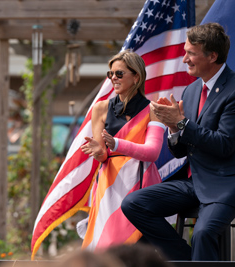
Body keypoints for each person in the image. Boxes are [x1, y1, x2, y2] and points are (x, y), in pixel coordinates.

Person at [121, 22, 235, 261]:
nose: (184, 59)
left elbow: (225, 145)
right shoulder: (191, 91)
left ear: (212, 56)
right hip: (193, 183)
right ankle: (186, 259)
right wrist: (174, 128)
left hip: (224, 185)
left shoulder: (233, 90)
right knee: (133, 204)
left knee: (202, 233)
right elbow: (182, 152)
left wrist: (182, 124)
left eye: (191, 53)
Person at [79, 50, 166, 251]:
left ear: (136, 76)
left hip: (141, 182)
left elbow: (152, 152)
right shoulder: (100, 108)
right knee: (107, 244)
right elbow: (102, 155)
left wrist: (116, 144)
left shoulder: (153, 110)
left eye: (119, 74)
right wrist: (97, 151)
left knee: (140, 247)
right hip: (110, 184)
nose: (113, 79)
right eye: (110, 74)